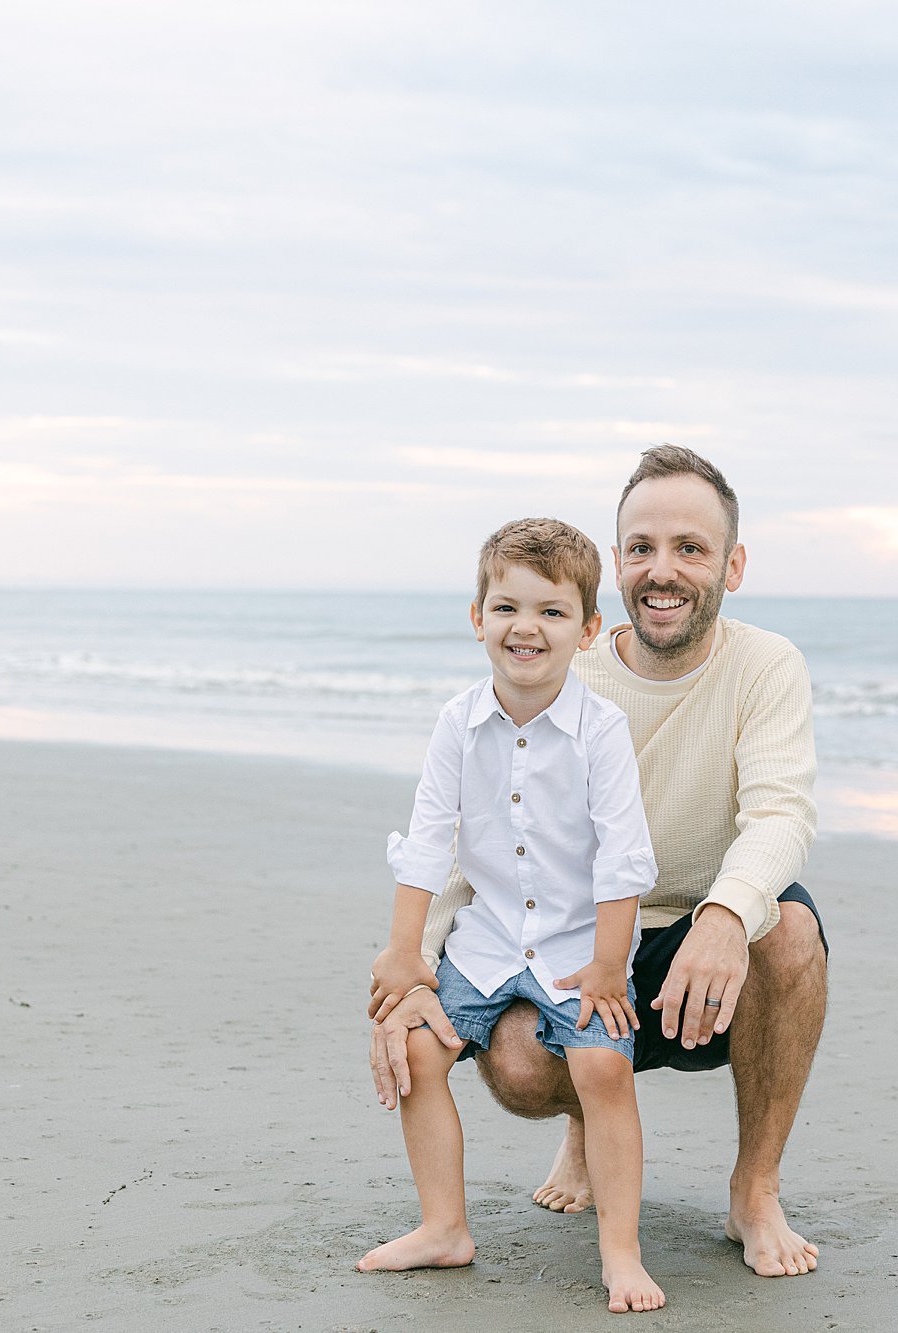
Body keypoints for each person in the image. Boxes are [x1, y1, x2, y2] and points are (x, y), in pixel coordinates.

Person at [370, 445, 827, 1279]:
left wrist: (726, 916)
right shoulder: (553, 666)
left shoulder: (766, 665)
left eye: (691, 547)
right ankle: (583, 1128)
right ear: (616, 565)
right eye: (643, 547)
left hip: (696, 937)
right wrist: (416, 972)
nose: (664, 569)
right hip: (569, 938)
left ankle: (754, 1191)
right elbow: (469, 837)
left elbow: (781, 813)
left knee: (789, 929)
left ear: (733, 563)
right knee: (509, 1056)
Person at [358, 517, 668, 1314]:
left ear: (589, 629)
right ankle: (443, 1227)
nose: (526, 626)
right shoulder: (456, 725)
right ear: (478, 617)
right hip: (488, 939)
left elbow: (623, 859)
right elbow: (427, 841)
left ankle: (622, 1253)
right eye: (506, 607)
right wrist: (403, 953)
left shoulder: (602, 732)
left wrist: (608, 964)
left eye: (552, 611)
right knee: (419, 1051)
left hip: (579, 943)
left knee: (602, 1066)